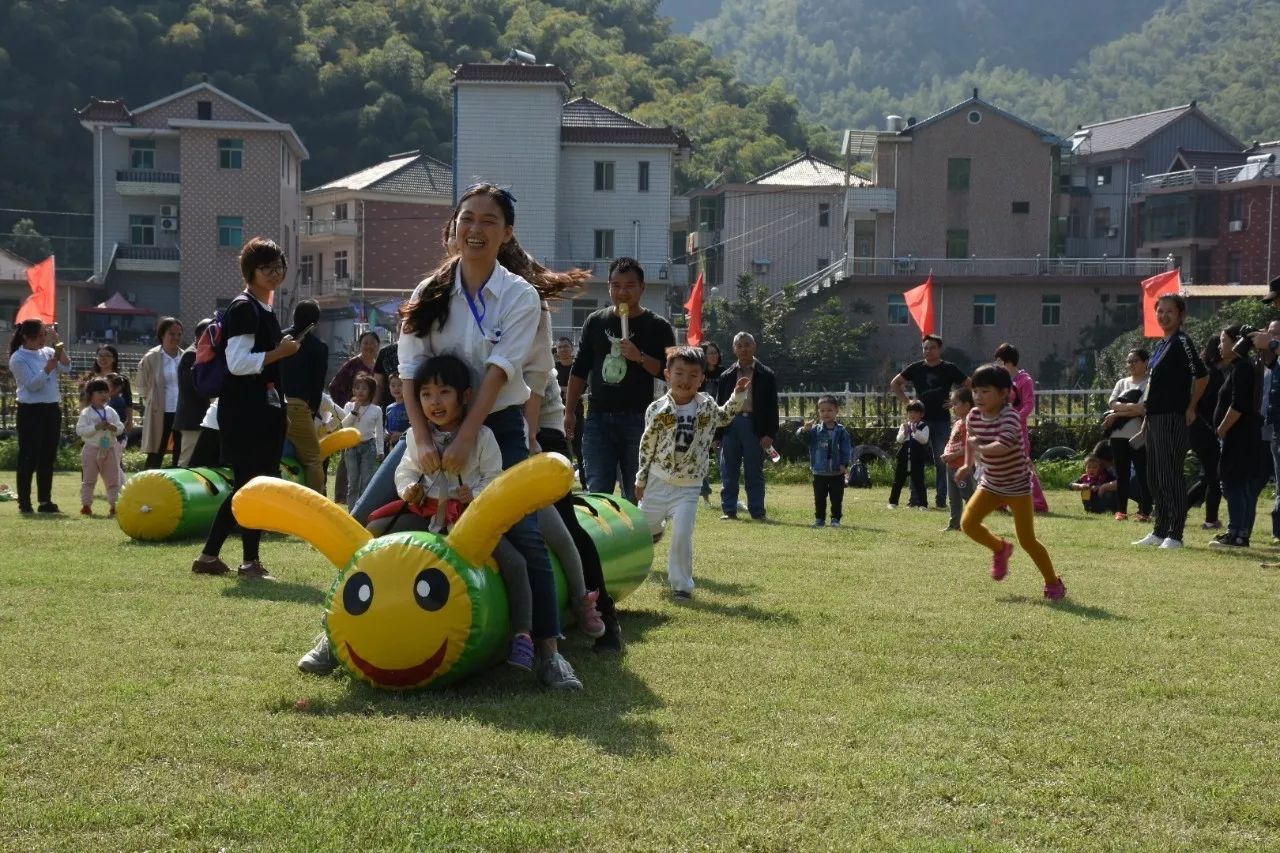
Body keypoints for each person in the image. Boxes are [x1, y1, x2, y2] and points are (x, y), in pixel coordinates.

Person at [347, 183, 584, 686]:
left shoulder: (519, 295)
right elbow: (408, 372)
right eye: (467, 219)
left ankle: (547, 651)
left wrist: (463, 439)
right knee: (363, 516)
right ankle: (336, 632)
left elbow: (500, 372)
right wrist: (425, 436)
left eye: (488, 221)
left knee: (526, 536)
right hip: (426, 422)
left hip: (494, 422)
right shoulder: (428, 292)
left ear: (506, 233)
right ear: (454, 227)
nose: (475, 230)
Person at [191, 238, 299, 580]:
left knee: (253, 486)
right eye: (267, 268)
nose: (276, 273)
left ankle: (217, 558)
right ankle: (244, 561)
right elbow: (237, 363)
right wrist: (278, 354)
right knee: (250, 487)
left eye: (280, 266)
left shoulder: (261, 308)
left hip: (259, 413)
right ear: (250, 272)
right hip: (245, 415)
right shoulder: (244, 308)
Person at [636, 345, 749, 599]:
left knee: (683, 534)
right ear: (667, 375)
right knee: (644, 529)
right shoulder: (657, 409)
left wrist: (738, 395)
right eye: (679, 373)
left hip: (689, 485)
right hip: (657, 480)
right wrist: (641, 478)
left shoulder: (707, 406)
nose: (685, 380)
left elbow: (724, 417)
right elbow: (647, 445)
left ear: (702, 379)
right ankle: (655, 531)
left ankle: (681, 586)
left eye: (692, 375)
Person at [563, 258, 675, 503]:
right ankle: (601, 540)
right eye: (616, 285)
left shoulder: (658, 327)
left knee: (636, 493)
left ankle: (638, 537)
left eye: (629, 285)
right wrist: (570, 411)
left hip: (638, 419)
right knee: (598, 491)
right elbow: (580, 370)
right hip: (597, 419)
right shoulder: (595, 322)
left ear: (642, 288)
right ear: (608, 287)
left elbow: (670, 372)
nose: (622, 292)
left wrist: (640, 357)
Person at [956, 365, 1066, 600]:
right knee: (968, 523)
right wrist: (967, 464)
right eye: (975, 391)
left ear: (1004, 393)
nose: (978, 397)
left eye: (985, 391)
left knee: (1027, 540)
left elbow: (1002, 446)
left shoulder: (1010, 417)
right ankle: (1000, 548)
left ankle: (1053, 582)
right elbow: (971, 440)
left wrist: (981, 448)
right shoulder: (974, 415)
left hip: (1017, 488)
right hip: (991, 485)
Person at [1132, 294, 1208, 550]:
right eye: (1160, 311)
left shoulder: (1182, 342)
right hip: (1154, 418)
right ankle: (1159, 529)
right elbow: (1154, 385)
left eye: (1170, 312)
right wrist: (1146, 419)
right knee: (1154, 476)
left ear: (1181, 315)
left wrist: (1191, 405)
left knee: (1170, 475)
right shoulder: (1162, 344)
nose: (1164, 315)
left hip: (1172, 418)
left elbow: (1201, 374)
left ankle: (1175, 534)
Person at [891, 335, 969, 509]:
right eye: (925, 348)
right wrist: (908, 403)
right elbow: (895, 383)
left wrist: (955, 401)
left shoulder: (949, 368)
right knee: (916, 460)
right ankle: (915, 499)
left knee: (942, 460)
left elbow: (969, 384)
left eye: (932, 347)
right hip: (920, 422)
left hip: (941, 420)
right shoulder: (916, 368)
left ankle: (941, 499)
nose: (928, 351)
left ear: (939, 349)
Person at [1209, 325, 1267, 548]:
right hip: (1241, 436)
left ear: (1236, 343)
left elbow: (1238, 405)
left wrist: (1222, 429)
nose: (1220, 346)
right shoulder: (1238, 367)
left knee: (1233, 484)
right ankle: (1239, 533)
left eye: (1223, 341)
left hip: (1238, 436)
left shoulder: (1243, 367)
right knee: (1237, 485)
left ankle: (1236, 534)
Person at [9, 319, 71, 513]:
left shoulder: (48, 352)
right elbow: (33, 385)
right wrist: (47, 369)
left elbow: (67, 367)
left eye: (45, 335)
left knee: (47, 456)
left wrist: (58, 345)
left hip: (51, 409)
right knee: (28, 456)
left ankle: (45, 501)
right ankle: (24, 502)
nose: (43, 339)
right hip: (30, 411)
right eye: (40, 335)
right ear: (27, 336)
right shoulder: (18, 358)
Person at [715, 332, 779, 521]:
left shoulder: (766, 374)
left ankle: (757, 511)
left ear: (754, 346)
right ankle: (729, 510)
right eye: (739, 345)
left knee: (754, 471)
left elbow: (772, 407)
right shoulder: (727, 375)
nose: (744, 348)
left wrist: (770, 433)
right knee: (729, 471)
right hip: (731, 425)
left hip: (754, 426)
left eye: (747, 344)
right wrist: (717, 436)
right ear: (734, 349)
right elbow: (720, 405)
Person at [279, 299, 329, 493]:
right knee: (312, 459)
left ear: (294, 316)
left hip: (273, 403)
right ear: (316, 322)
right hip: (298, 407)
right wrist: (311, 411)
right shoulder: (318, 347)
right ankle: (318, 502)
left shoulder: (278, 338)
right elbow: (317, 385)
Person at [992, 344, 1049, 513]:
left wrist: (1013, 420)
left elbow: (1028, 404)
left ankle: (1038, 504)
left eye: (998, 359)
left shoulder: (1025, 380)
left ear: (1005, 360)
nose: (996, 363)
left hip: (1017, 431)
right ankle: (1000, 503)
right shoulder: (1001, 381)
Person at [329, 330, 380, 502]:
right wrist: (349, 405)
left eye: (373, 343)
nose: (369, 346)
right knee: (347, 460)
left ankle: (362, 499)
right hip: (352, 416)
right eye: (365, 342)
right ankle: (341, 497)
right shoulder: (353, 364)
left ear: (378, 346)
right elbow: (334, 386)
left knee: (366, 468)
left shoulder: (378, 366)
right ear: (360, 345)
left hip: (371, 415)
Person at [1105, 347, 1152, 522]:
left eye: (1135, 361)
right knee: (1121, 473)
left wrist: (1118, 412)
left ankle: (1145, 510)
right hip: (1118, 435)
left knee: (1142, 472)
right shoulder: (1122, 382)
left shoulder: (1149, 382)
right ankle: (1121, 510)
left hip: (1139, 434)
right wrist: (1129, 408)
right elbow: (1112, 402)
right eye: (1129, 361)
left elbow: (1143, 408)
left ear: (1145, 362)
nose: (1131, 364)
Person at [1248, 310, 1280, 546]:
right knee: (1258, 480)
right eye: (1269, 332)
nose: (1271, 336)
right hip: (1264, 428)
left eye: (1276, 333)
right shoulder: (1266, 362)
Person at [796, 394, 853, 528]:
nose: (826, 413)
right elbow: (801, 437)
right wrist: (804, 430)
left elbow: (846, 449)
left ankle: (835, 519)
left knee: (836, 498)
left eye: (829, 410)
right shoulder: (814, 430)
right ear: (818, 412)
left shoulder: (841, 431)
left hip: (836, 472)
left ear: (836, 411)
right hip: (819, 471)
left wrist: (844, 464)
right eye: (822, 410)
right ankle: (819, 519)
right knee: (819, 498)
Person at [136, 316, 184, 469]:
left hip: (182, 411)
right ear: (162, 334)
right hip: (160, 411)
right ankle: (147, 485)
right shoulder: (151, 357)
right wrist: (151, 400)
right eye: (172, 334)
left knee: (181, 450)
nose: (176, 338)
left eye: (179, 334)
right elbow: (141, 384)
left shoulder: (186, 356)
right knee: (157, 449)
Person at [1186, 338, 1224, 530]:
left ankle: (1181, 509)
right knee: (1213, 477)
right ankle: (1210, 519)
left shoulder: (1201, 373)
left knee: (1207, 477)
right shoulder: (1215, 375)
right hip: (1206, 429)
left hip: (1196, 429)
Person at [75, 378, 124, 516]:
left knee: (113, 479)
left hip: (110, 449)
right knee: (89, 479)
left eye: (106, 392)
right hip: (91, 449)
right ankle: (86, 505)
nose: (104, 395)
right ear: (91, 395)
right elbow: (80, 431)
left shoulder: (111, 411)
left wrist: (114, 428)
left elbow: (120, 427)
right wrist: (96, 427)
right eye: (100, 392)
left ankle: (114, 505)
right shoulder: (86, 413)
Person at [340, 373, 384, 507]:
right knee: (352, 482)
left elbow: (379, 431)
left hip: (368, 447)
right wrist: (354, 410)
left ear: (371, 391)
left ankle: (363, 512)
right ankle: (352, 513)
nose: (360, 391)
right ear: (353, 390)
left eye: (364, 388)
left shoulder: (376, 410)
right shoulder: (349, 406)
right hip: (351, 447)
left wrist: (380, 450)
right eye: (357, 388)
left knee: (366, 481)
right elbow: (344, 425)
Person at [174, 318, 212, 467]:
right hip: (192, 418)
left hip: (199, 418)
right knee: (186, 459)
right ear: (199, 336)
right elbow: (195, 386)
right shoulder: (192, 355)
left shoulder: (201, 353)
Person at [940, 387, 976, 531]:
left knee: (967, 495)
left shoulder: (969, 423)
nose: (952, 407)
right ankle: (954, 524)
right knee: (953, 498)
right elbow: (951, 442)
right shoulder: (957, 423)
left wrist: (953, 456)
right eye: (952, 404)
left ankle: (973, 523)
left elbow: (969, 446)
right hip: (951, 465)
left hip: (962, 466)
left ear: (967, 405)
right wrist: (946, 453)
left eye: (956, 404)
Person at [554, 335, 586, 487]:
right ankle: (561, 485)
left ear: (571, 349)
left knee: (579, 450)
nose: (563, 349)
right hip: (556, 415)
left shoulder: (578, 367)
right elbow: (551, 390)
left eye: (565, 346)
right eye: (559, 347)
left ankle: (586, 485)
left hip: (576, 413)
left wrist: (563, 390)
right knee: (559, 450)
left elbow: (582, 388)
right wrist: (568, 390)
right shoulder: (553, 369)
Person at [887, 399, 931, 509]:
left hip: (917, 458)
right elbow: (899, 439)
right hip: (903, 458)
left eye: (916, 412)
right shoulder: (904, 426)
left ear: (921, 414)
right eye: (910, 412)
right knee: (898, 480)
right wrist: (905, 432)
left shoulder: (924, 426)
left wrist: (916, 431)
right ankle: (893, 502)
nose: (912, 414)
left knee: (919, 482)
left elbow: (924, 440)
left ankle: (923, 504)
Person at [699, 341, 724, 505]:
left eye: (715, 353)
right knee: (701, 460)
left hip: (720, 421)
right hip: (701, 421)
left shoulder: (725, 373)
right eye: (710, 353)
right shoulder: (698, 373)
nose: (714, 356)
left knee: (723, 459)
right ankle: (705, 496)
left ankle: (728, 495)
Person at [384, 373, 408, 452]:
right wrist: (386, 434)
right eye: (393, 385)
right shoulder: (389, 408)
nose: (396, 388)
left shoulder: (410, 406)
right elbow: (387, 427)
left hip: (406, 444)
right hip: (392, 444)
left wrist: (401, 434)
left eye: (400, 385)